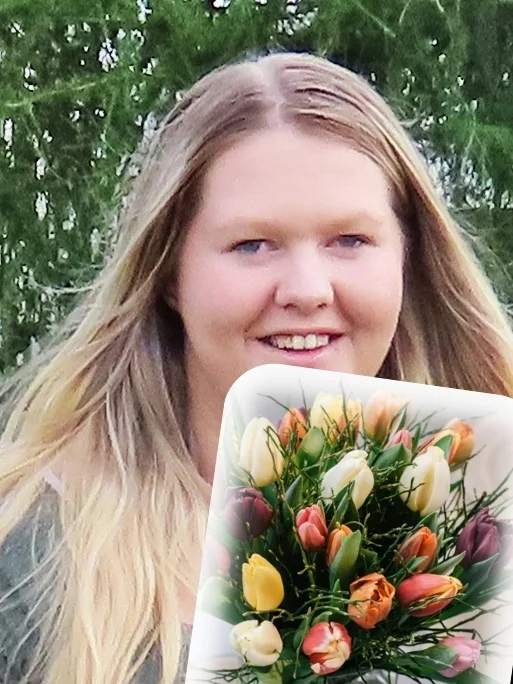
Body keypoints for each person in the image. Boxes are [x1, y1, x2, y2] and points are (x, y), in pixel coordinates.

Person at [1, 50, 513, 684]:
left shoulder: (482, 527)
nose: (308, 289)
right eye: (252, 244)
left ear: (406, 258)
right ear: (169, 275)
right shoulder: (32, 554)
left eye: (350, 240)